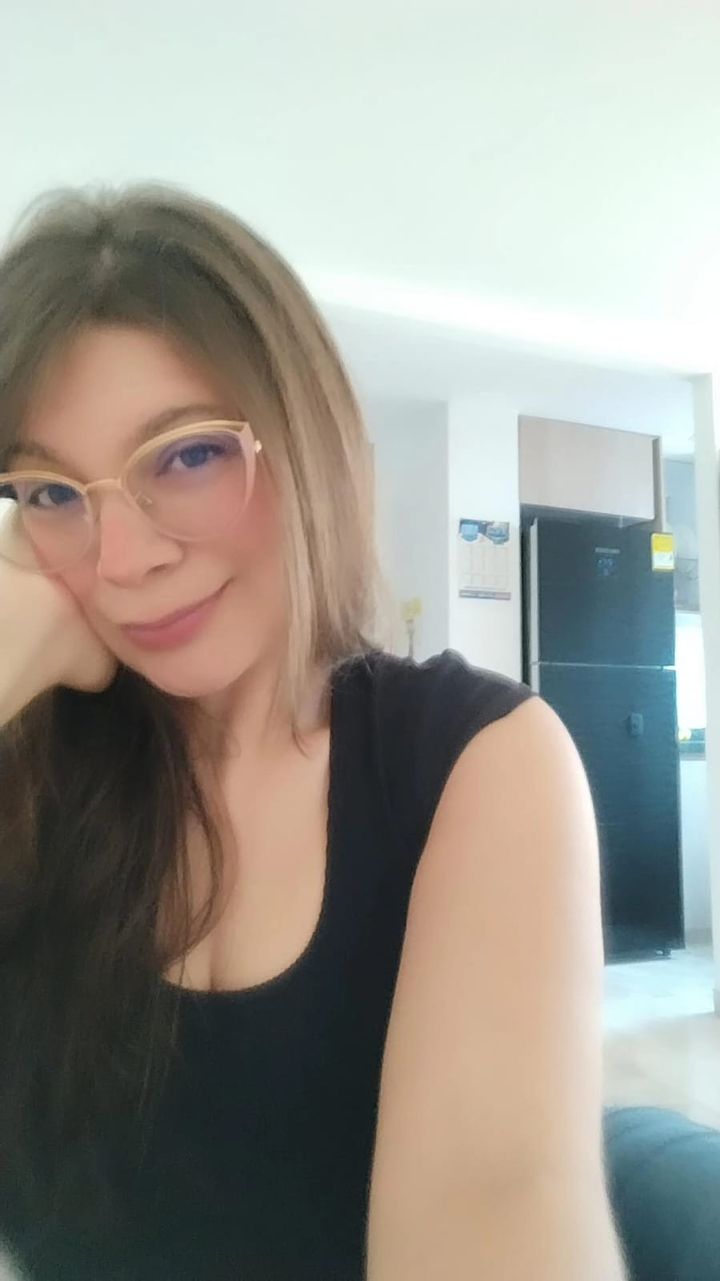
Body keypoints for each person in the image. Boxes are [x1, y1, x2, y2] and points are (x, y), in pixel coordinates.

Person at [0, 186, 626, 1281]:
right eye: (53, 491)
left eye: (187, 455)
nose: (122, 560)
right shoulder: (29, 766)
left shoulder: (475, 762)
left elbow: (496, 1200)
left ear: (310, 445)